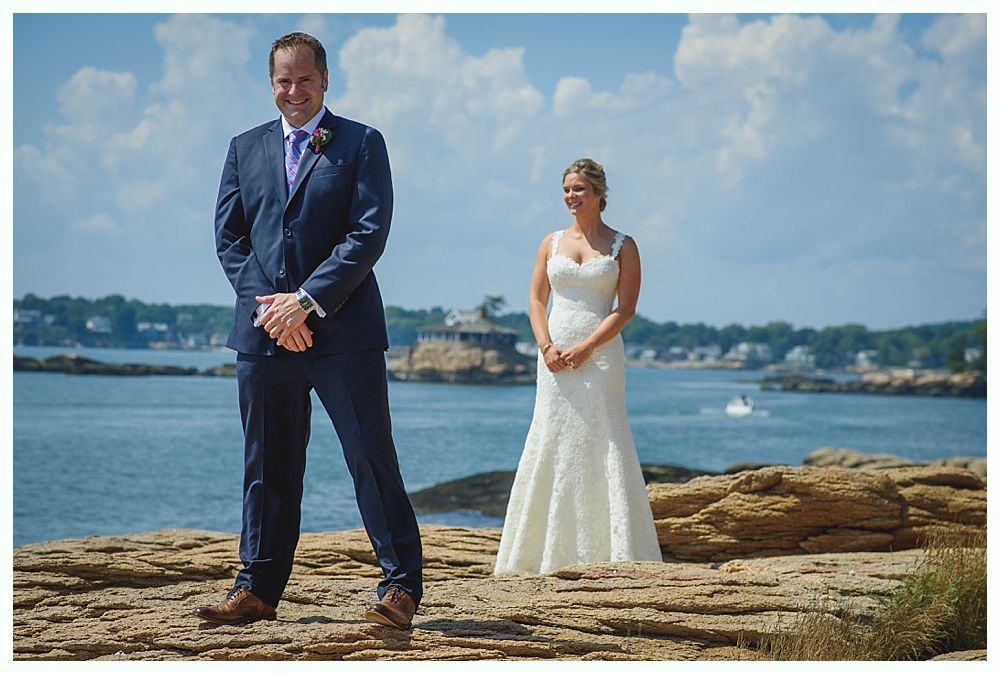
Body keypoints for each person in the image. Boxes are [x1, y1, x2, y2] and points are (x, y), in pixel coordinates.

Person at [193, 32, 422, 629]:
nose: (293, 91)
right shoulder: (244, 148)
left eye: (304, 80)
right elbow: (229, 239)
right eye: (283, 81)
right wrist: (272, 310)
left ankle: (399, 588)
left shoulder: (362, 142)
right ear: (271, 85)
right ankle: (257, 589)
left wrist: (307, 301)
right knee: (266, 464)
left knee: (370, 458)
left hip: (344, 334)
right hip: (264, 336)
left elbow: (368, 232)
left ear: (325, 81)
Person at [494, 159, 662, 576]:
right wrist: (546, 346)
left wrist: (588, 346)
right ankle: (539, 557)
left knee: (604, 439)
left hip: (601, 356)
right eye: (567, 189)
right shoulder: (550, 242)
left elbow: (626, 309)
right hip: (552, 359)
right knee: (551, 437)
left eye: (579, 190)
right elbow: (536, 300)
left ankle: (614, 552)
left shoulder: (624, 245)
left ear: (599, 193)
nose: (571, 196)